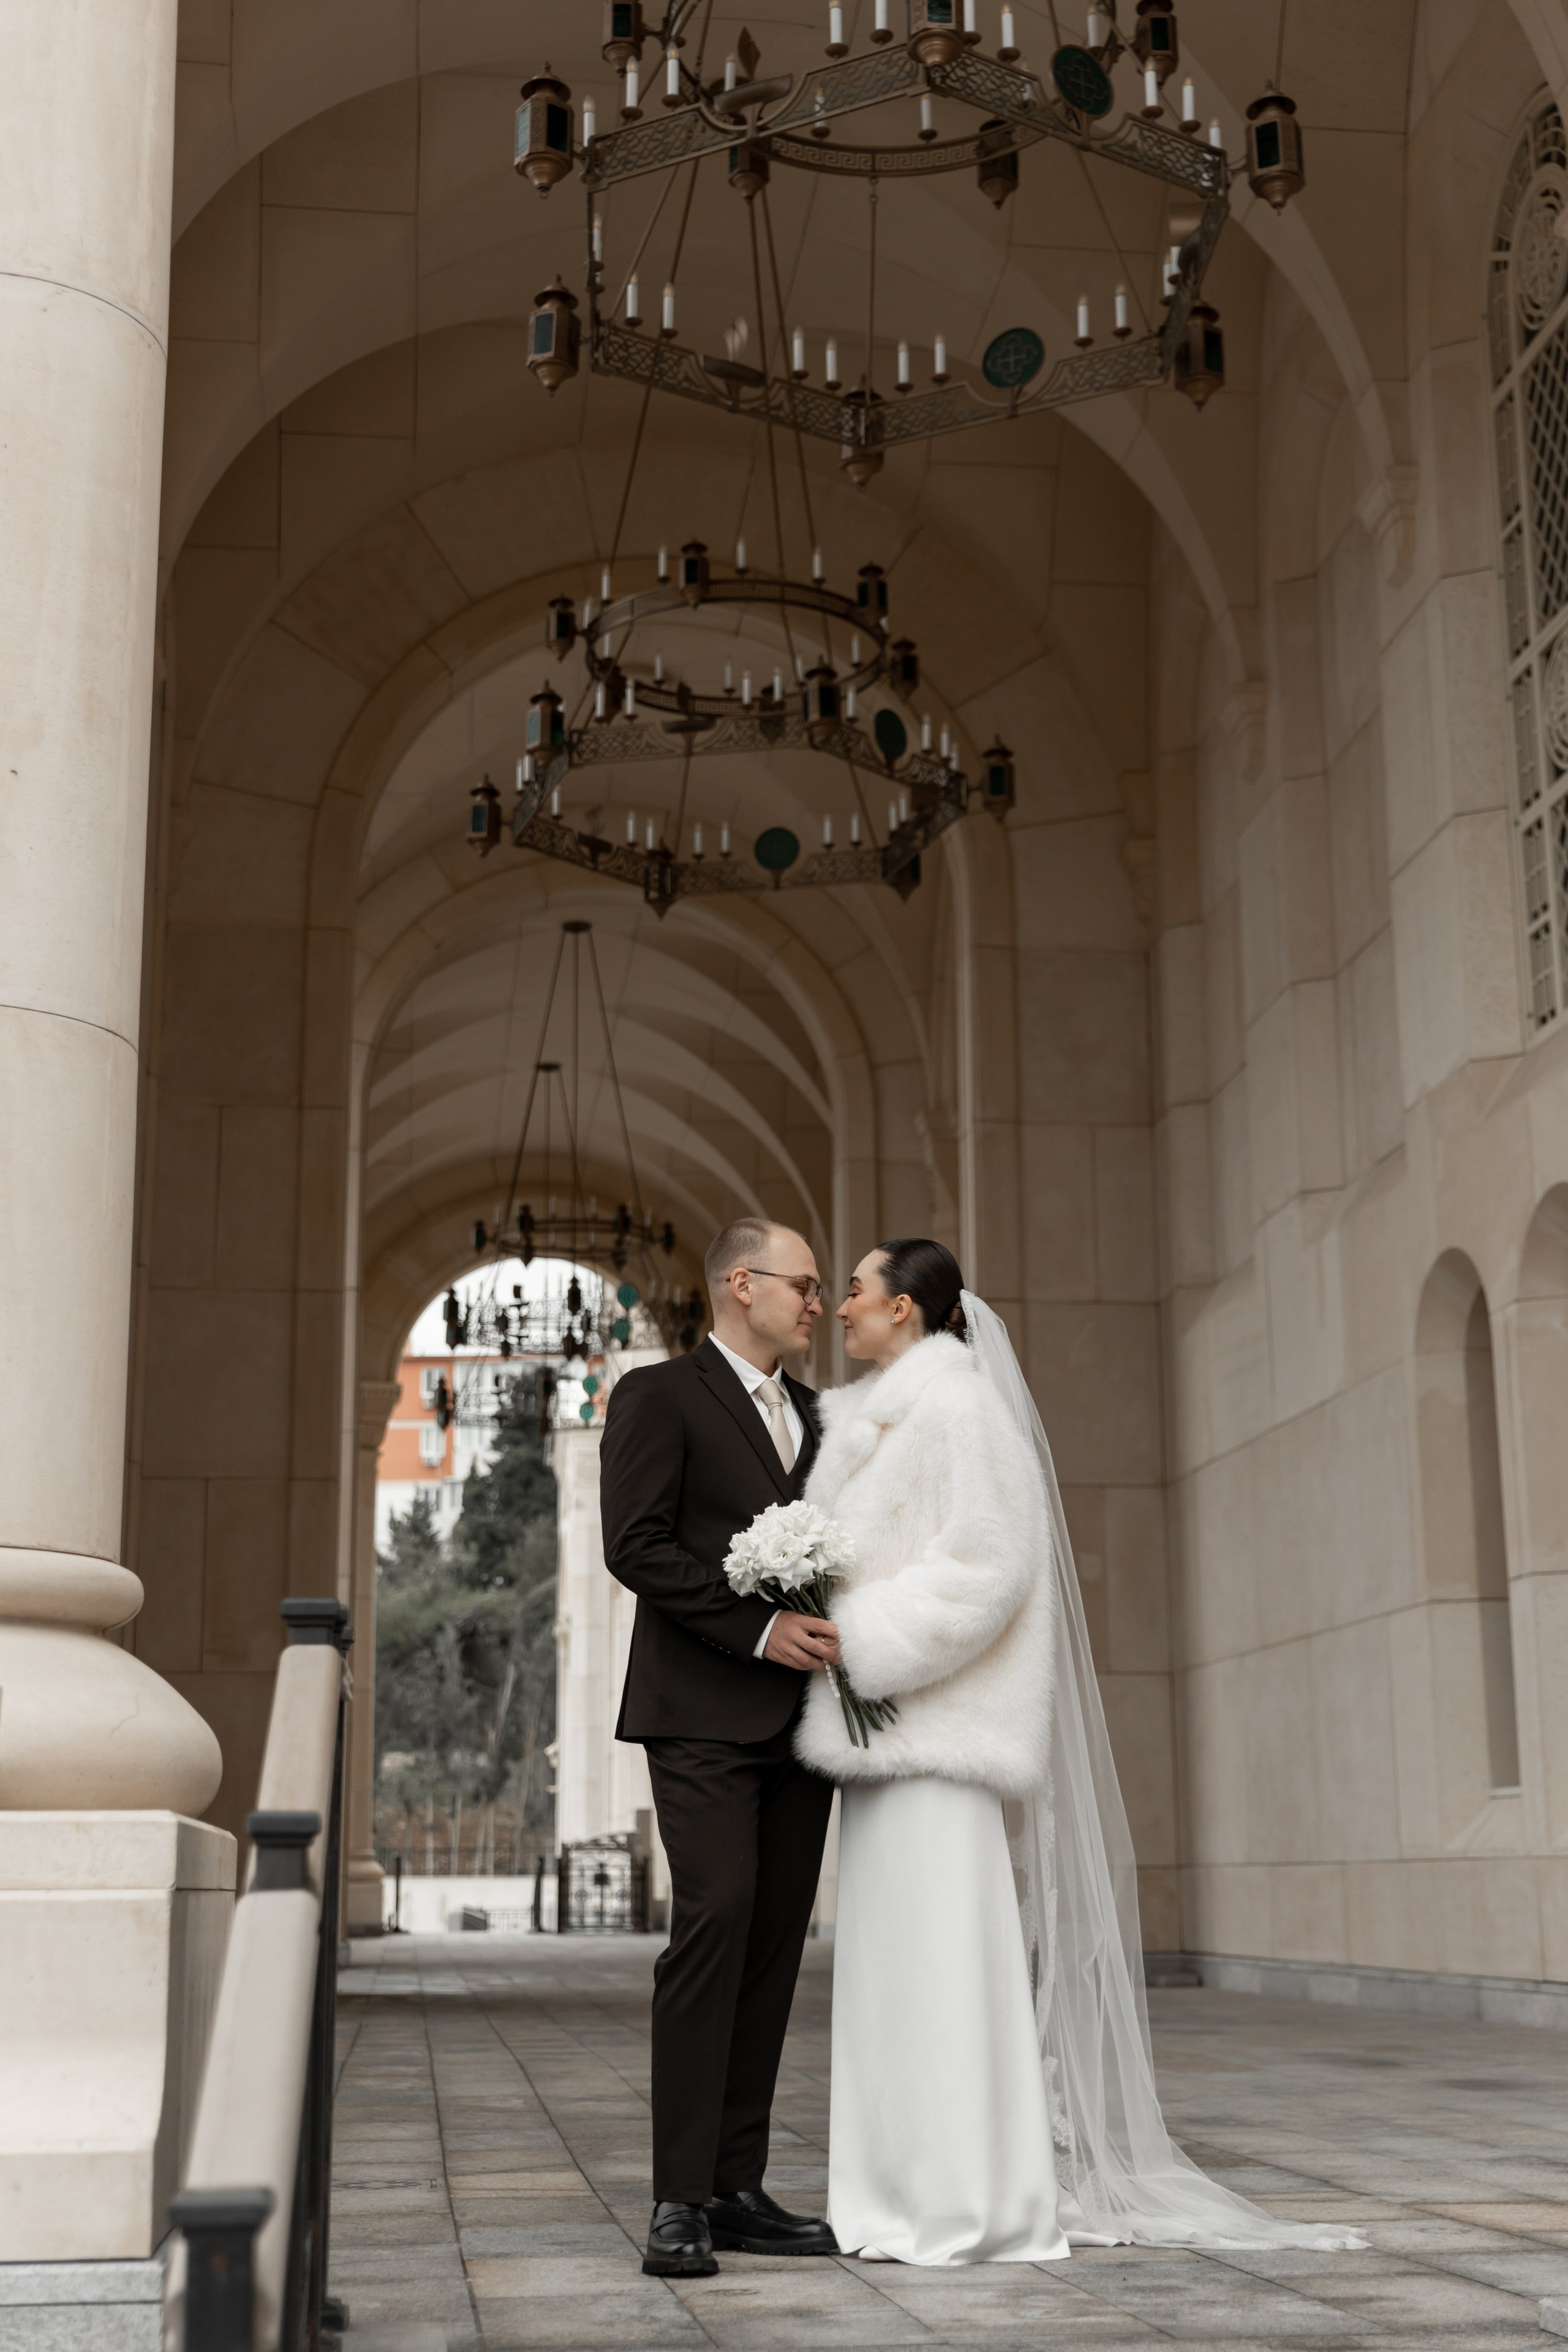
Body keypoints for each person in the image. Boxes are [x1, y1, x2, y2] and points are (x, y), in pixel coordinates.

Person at [799, 1237, 1368, 2265]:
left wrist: (865, 1639)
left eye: (856, 1289)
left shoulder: (963, 1411)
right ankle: (887, 2197)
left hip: (941, 1736)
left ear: (910, 1310)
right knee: (888, 1980)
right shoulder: (866, 1426)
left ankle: (971, 2203)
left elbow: (989, 1567)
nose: (840, 1306)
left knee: (946, 1971)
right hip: (877, 1743)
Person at [598, 1216, 842, 2279]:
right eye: (803, 1284)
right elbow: (636, 1544)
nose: (818, 1302)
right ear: (742, 1285)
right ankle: (678, 2198)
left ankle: (738, 2188)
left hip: (804, 1726)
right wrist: (755, 1625)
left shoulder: (822, 1417)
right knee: (713, 1925)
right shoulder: (658, 1398)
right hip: (699, 1710)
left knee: (775, 1943)